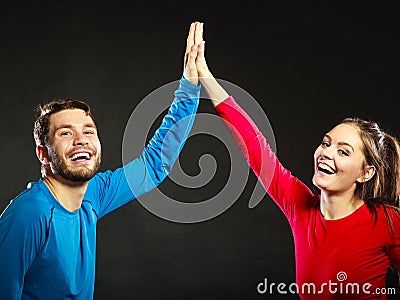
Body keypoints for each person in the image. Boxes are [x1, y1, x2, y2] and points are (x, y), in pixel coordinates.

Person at [190, 23, 400, 299]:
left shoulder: (387, 221)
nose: (327, 152)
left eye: (344, 151)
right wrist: (205, 75)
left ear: (365, 173)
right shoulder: (300, 207)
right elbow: (255, 148)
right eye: (326, 143)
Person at [0, 22, 203, 299]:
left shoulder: (94, 193)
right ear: (43, 154)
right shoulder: (29, 215)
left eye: (88, 131)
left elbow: (155, 164)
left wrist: (189, 87)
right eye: (65, 133)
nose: (81, 139)